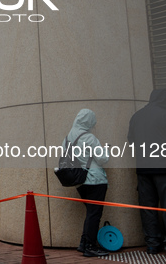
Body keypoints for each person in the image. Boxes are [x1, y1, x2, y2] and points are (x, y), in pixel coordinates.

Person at [127, 88, 166, 256]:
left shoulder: (137, 116)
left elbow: (131, 140)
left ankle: (152, 245)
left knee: (147, 208)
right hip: (165, 168)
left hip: (143, 169)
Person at [65, 109, 109, 257]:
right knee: (94, 214)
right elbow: (103, 158)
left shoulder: (68, 137)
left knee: (91, 212)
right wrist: (107, 150)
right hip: (95, 180)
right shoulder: (89, 138)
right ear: (89, 122)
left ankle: (84, 243)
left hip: (80, 181)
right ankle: (90, 246)